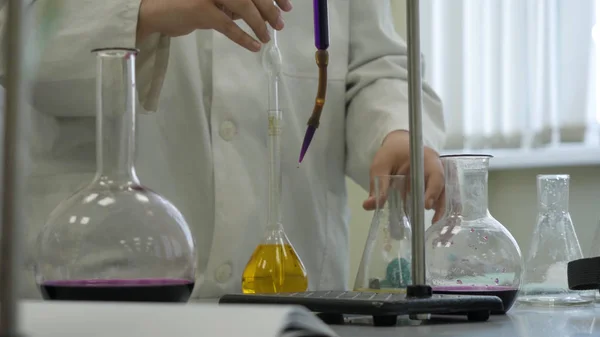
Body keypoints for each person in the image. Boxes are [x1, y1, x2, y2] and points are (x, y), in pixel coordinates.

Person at [0, 0, 446, 299]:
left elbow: (374, 64)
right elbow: (13, 32)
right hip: (104, 275)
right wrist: (142, 12)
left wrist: (396, 131)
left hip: (294, 290)